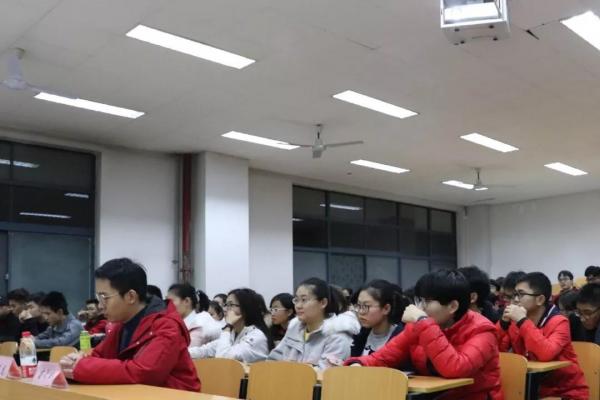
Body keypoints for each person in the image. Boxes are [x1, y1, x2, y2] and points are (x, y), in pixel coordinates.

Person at [345, 270, 503, 400]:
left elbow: (455, 369)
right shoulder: (420, 326)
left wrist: (423, 322)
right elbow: (385, 356)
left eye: (426, 301)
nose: (420, 307)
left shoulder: (482, 330)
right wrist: (358, 365)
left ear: (452, 306)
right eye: (419, 300)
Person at [59, 258, 200, 392]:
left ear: (131, 297)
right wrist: (78, 361)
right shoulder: (123, 324)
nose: (100, 306)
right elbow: (99, 356)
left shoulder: (166, 326)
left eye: (104, 297)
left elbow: (145, 373)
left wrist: (82, 367)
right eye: (98, 298)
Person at [497, 272, 588, 399]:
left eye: (521, 294)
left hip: (565, 392)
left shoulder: (559, 322)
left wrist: (522, 321)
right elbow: (494, 350)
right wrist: (502, 324)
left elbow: (545, 353)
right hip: (531, 390)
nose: (516, 300)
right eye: (515, 294)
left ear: (540, 299)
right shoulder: (515, 323)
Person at [269, 278, 360, 370]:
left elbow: (325, 373)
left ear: (323, 303)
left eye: (304, 300)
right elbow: (273, 359)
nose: (298, 306)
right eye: (296, 300)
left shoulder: (337, 336)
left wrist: (291, 369)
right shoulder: (295, 328)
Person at [189, 288, 272, 362]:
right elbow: (205, 350)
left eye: (231, 305)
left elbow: (224, 360)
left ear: (246, 308)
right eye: (226, 305)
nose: (225, 309)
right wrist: (182, 353)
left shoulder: (256, 336)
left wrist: (228, 326)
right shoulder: (233, 333)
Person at [350, 280, 407, 356]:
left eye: (366, 306)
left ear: (386, 309)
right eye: (358, 305)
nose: (361, 311)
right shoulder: (361, 336)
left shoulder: (401, 339)